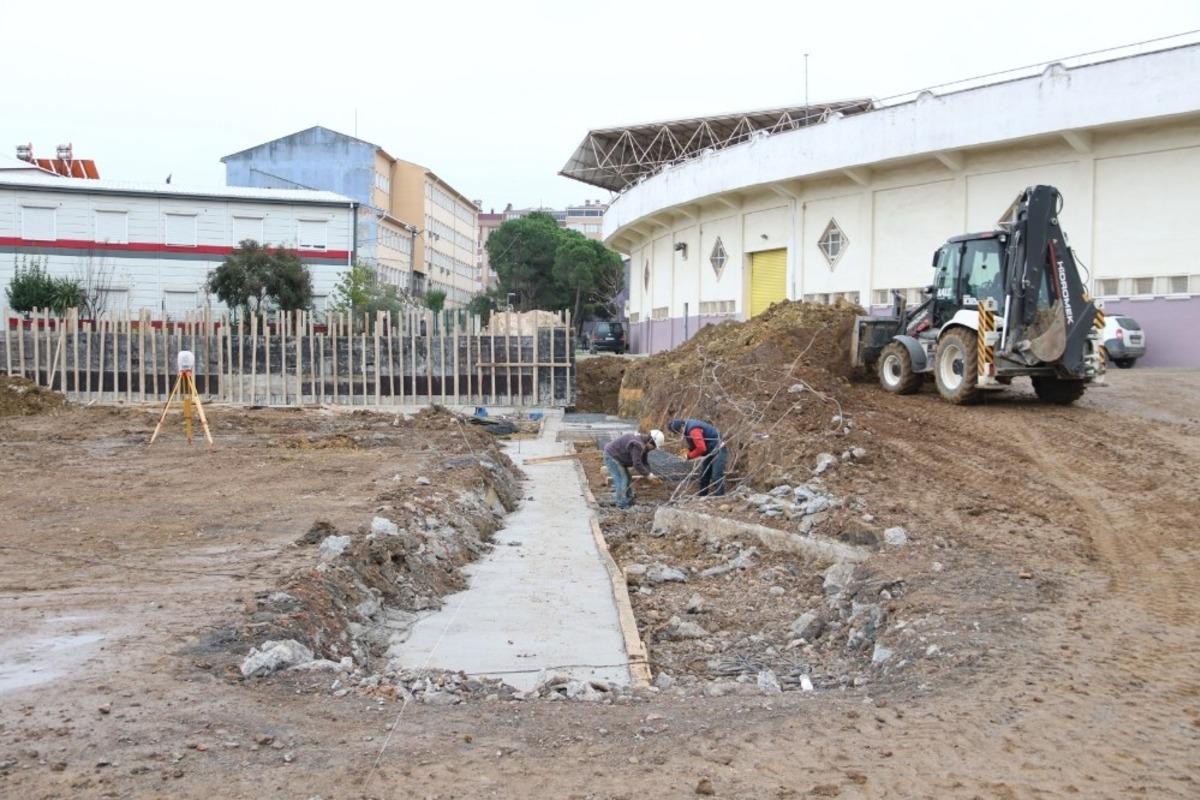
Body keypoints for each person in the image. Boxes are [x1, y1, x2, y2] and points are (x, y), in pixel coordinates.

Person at [603, 429, 664, 509]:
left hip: (619, 457)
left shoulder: (644, 444)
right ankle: (621, 504)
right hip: (612, 456)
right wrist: (648, 475)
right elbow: (637, 464)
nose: (654, 449)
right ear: (650, 442)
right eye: (654, 447)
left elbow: (644, 462)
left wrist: (650, 474)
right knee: (622, 479)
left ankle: (629, 498)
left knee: (628, 478)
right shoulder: (637, 445)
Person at [667, 418, 726, 497]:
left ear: (681, 427)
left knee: (716, 474)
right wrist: (689, 450)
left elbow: (701, 448)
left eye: (678, 432)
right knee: (704, 475)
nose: (679, 433)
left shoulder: (693, 429)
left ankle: (720, 497)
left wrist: (688, 456)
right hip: (710, 450)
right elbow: (697, 443)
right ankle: (702, 496)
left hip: (719, 449)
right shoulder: (688, 427)